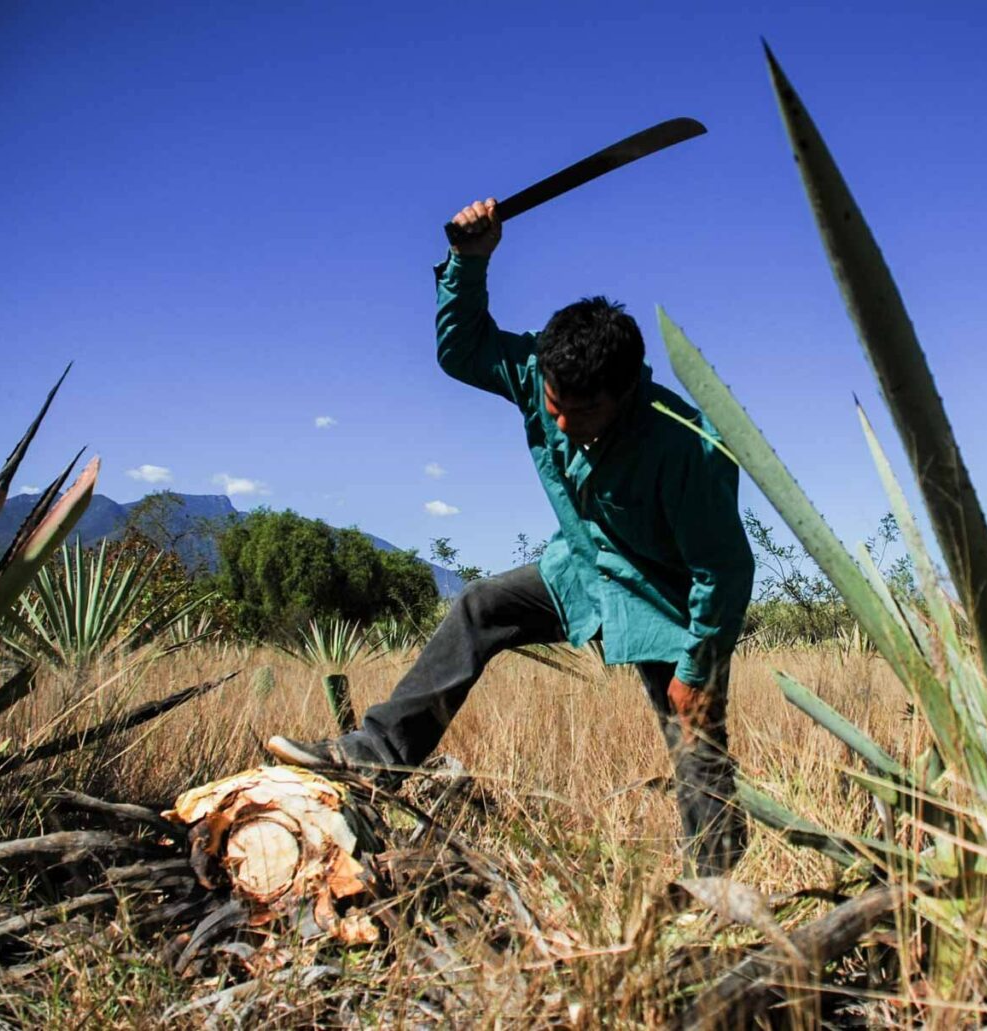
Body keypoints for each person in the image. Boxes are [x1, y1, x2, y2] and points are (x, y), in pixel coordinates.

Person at [268, 198, 755, 875]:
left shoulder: (687, 447)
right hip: (582, 570)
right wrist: (471, 260)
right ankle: (376, 755)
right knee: (481, 607)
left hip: (664, 600)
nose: (558, 426)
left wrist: (697, 667)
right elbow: (461, 350)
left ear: (626, 392)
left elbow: (722, 571)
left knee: (693, 728)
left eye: (578, 413)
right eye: (551, 406)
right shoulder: (536, 375)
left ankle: (716, 882)